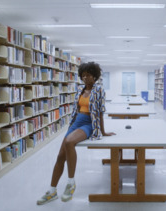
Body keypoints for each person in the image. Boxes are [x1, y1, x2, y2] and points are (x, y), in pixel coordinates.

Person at [37, 62, 115, 205]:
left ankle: (71, 183)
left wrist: (102, 131)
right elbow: (76, 109)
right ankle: (52, 191)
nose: (85, 78)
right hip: (76, 122)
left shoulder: (99, 90)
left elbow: (100, 112)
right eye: (83, 75)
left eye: (88, 75)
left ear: (95, 76)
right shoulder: (80, 89)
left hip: (88, 123)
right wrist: (72, 125)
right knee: (60, 156)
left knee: (69, 142)